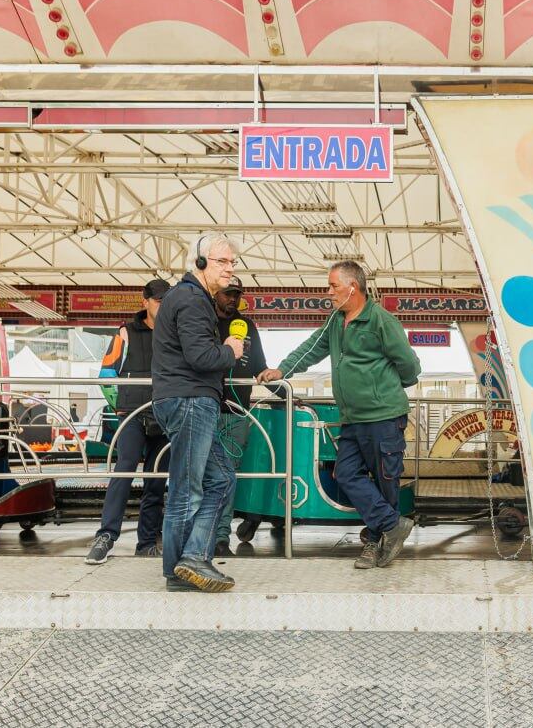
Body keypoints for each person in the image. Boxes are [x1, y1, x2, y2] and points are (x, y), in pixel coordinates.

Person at [258, 260, 421, 569]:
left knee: (386, 482)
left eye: (333, 286)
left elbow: (410, 367)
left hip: (384, 416)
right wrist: (282, 369)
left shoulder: (380, 321)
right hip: (352, 418)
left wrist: (381, 389)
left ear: (352, 288)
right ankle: (392, 524)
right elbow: (311, 349)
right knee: (345, 474)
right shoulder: (336, 320)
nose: (328, 292)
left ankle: (375, 546)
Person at [153, 234, 245, 593]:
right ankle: (180, 570)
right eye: (223, 262)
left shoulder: (191, 298)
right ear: (201, 262)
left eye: (233, 263)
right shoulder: (192, 300)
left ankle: (193, 558)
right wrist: (230, 350)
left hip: (190, 400)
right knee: (186, 491)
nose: (230, 269)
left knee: (221, 479)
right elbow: (201, 358)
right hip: (190, 400)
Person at [85, 279, 172, 564]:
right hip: (132, 415)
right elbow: (107, 374)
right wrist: (121, 407)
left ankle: (147, 541)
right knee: (123, 471)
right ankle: (106, 536)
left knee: (156, 480)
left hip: (164, 414)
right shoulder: (125, 333)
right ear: (144, 301)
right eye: (158, 300)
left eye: (166, 300)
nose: (162, 305)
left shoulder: (176, 333)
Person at [211, 275, 267, 556]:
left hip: (236, 414)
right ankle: (195, 536)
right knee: (197, 476)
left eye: (237, 294)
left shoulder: (247, 326)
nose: (232, 298)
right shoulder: (201, 320)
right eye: (227, 293)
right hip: (203, 410)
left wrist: (285, 393)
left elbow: (259, 367)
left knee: (226, 476)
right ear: (215, 293)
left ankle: (221, 537)